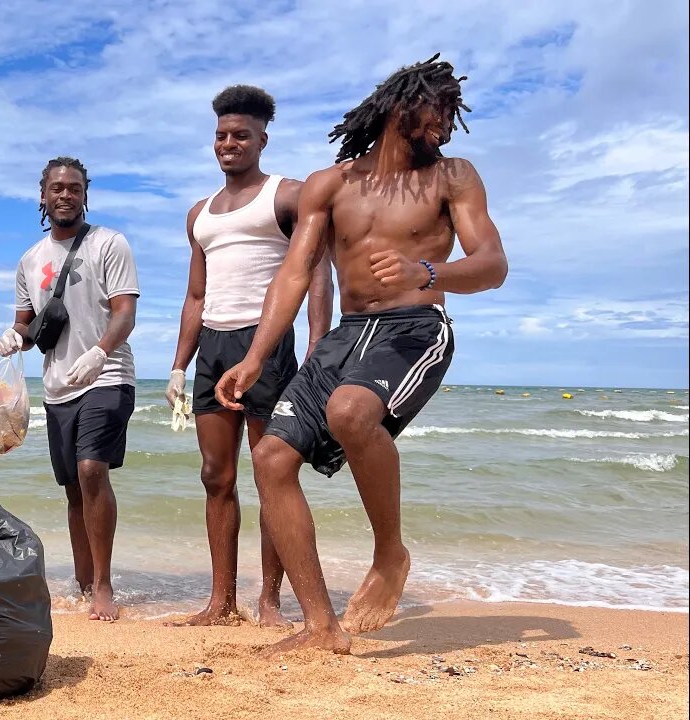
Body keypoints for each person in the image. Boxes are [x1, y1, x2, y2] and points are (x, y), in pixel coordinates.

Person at [215, 55, 508, 654]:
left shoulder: (453, 176)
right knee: (270, 457)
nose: (448, 125)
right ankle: (320, 628)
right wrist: (256, 356)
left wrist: (426, 270)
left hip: (415, 327)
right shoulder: (331, 184)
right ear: (403, 106)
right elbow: (294, 275)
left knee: (351, 412)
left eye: (453, 114)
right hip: (348, 334)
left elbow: (493, 266)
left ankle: (390, 553)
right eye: (440, 110)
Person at [165, 85, 333, 627]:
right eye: (221, 135)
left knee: (271, 475)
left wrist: (316, 347)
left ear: (263, 138)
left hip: (268, 345)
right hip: (214, 346)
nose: (229, 143)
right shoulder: (200, 214)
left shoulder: (287, 195)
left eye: (241, 135)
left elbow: (315, 273)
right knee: (216, 475)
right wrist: (178, 364)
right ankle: (221, 600)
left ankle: (268, 600)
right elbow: (195, 296)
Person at [0, 157, 140, 622]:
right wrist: (13, 336)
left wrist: (100, 351)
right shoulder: (29, 260)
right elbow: (25, 322)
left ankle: (103, 587)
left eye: (74, 188)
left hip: (107, 375)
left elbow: (124, 312)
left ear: (85, 194)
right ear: (43, 196)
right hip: (57, 388)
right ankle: (82, 584)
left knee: (92, 469)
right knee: (74, 489)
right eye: (56, 188)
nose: (65, 195)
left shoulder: (109, 243)